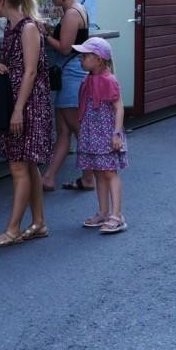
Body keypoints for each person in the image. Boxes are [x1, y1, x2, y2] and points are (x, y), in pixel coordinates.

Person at [0, 0, 53, 246]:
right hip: (20, 100)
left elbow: (31, 70)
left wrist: (17, 110)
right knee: (28, 163)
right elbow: (16, 64)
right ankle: (38, 222)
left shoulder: (27, 28)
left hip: (27, 103)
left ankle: (13, 229)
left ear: (1, 0)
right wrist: (1, 67)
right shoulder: (13, 27)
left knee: (18, 166)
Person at [40, 0, 93, 192]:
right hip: (72, 73)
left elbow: (64, 47)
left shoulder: (71, 14)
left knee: (77, 129)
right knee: (63, 130)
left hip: (71, 75)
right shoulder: (78, 10)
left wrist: (44, 35)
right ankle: (49, 177)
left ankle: (89, 178)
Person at [71, 37, 128, 234]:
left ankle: (117, 215)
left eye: (85, 56)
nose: (81, 59)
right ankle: (103, 212)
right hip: (92, 131)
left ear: (99, 60)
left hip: (106, 132)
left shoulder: (108, 80)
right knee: (98, 171)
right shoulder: (89, 79)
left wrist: (117, 133)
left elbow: (118, 106)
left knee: (109, 172)